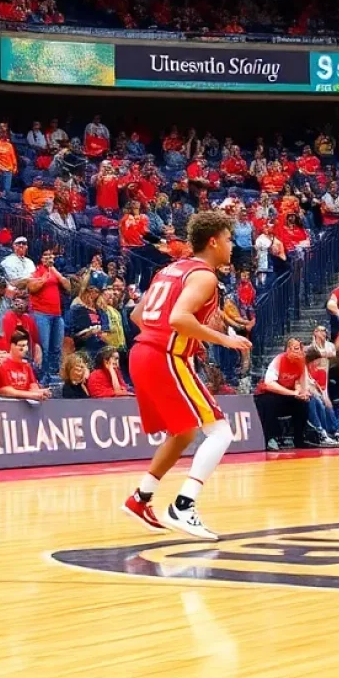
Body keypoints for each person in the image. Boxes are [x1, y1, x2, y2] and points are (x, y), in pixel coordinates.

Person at [123, 211, 251, 540]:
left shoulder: (169, 270)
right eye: (227, 239)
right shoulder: (204, 276)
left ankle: (141, 498)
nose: (232, 246)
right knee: (221, 432)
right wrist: (225, 338)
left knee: (183, 432)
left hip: (143, 353)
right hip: (165, 356)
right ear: (213, 241)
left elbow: (138, 314)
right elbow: (179, 318)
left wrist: (177, 340)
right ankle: (183, 505)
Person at [255, 337, 312, 450]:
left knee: (303, 404)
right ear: (288, 350)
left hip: (287, 395)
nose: (299, 351)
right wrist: (292, 392)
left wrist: (304, 394)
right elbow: (269, 384)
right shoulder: (278, 360)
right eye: (296, 349)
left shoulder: (301, 362)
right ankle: (270, 439)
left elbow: (301, 383)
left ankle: (299, 439)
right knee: (269, 402)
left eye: (300, 349)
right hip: (268, 393)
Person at [0, 329, 51, 401]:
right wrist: (32, 395)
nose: (25, 349)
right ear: (12, 346)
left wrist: (41, 392)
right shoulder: (2, 364)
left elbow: (33, 387)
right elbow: (5, 390)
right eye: (21, 346)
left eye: (26, 346)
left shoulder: (27, 366)